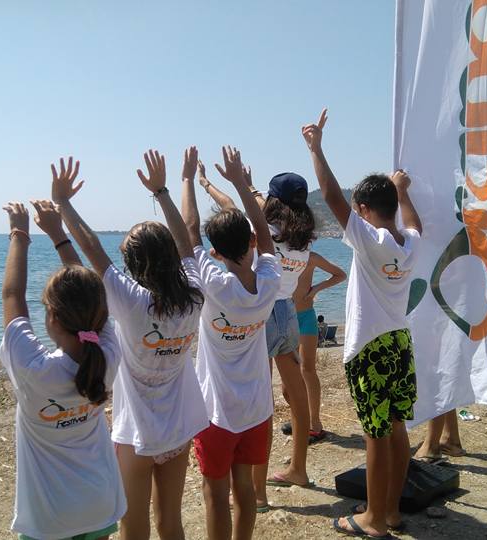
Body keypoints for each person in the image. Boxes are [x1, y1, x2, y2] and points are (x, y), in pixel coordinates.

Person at [51, 153, 207, 540]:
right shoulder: (194, 297)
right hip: (180, 426)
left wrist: (63, 205)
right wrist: (162, 192)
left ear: (136, 266)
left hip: (138, 432)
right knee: (170, 522)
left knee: (132, 526)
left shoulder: (133, 303)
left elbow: (91, 252)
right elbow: (188, 241)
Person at [303, 109, 422, 538]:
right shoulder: (409, 244)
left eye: (359, 209)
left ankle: (372, 518)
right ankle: (390, 510)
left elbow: (331, 195)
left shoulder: (369, 240)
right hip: (399, 342)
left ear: (365, 210)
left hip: (369, 347)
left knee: (375, 434)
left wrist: (316, 150)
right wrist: (403, 191)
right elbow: (414, 222)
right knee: (397, 428)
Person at [0, 201, 126, 540]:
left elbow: (12, 295)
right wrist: (56, 235)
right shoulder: (108, 355)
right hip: (98, 502)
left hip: (49, 516)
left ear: (52, 317)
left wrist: (20, 234)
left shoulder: (35, 371)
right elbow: (89, 295)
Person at [196, 157, 314, 505]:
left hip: (261, 311)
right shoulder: (304, 236)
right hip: (286, 311)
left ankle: (258, 492)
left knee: (261, 400)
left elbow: (232, 208)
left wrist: (207, 184)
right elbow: (250, 209)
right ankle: (299, 467)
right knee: (296, 394)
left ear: (273, 200)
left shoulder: (266, 230)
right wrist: (247, 186)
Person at [182, 145, 279, 539]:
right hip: (257, 408)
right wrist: (240, 183)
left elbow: (189, 231)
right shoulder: (269, 282)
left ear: (215, 252)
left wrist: (187, 180)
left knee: (215, 494)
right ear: (252, 242)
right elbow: (266, 238)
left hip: (216, 412)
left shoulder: (215, 284)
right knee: (245, 490)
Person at [282, 252, 346, 443]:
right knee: (287, 384)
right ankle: (300, 418)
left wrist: (316, 288)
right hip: (285, 318)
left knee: (307, 369)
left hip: (306, 317)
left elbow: (340, 275)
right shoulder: (279, 253)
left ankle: (315, 425)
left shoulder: (310, 257)